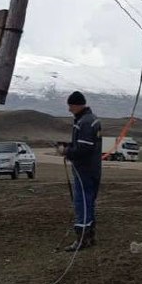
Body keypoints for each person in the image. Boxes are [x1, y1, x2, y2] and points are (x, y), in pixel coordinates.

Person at [57, 91, 102, 251]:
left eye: (70, 106)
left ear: (76, 105)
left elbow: (84, 149)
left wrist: (66, 151)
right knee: (88, 201)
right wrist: (70, 146)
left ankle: (82, 238)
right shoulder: (91, 120)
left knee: (82, 202)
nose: (69, 110)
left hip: (84, 170)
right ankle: (89, 236)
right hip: (92, 169)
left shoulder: (85, 122)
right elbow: (85, 145)